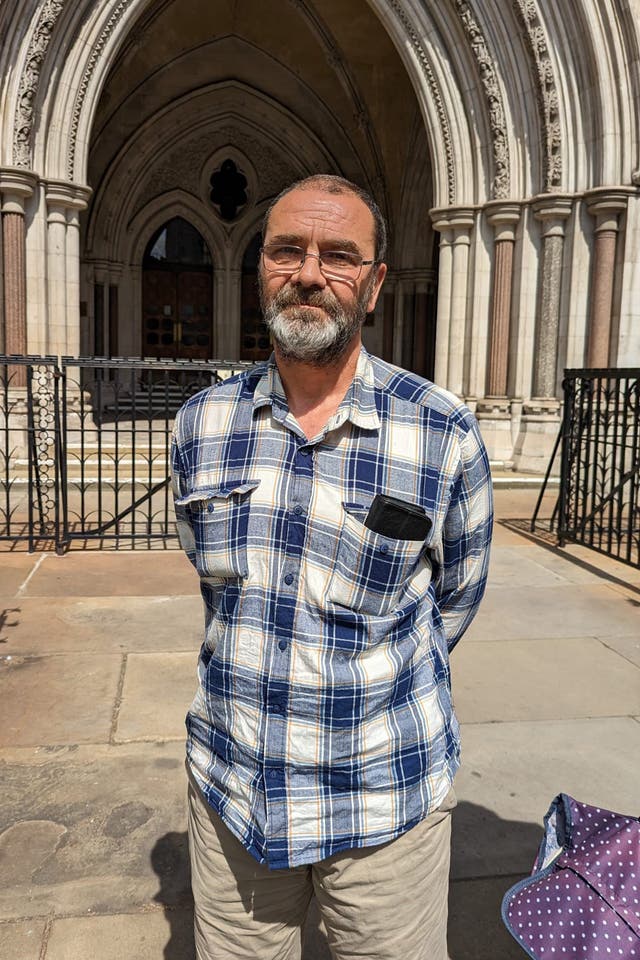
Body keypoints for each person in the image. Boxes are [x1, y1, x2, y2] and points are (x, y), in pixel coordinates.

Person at [171, 174, 493, 960]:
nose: (310, 273)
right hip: (233, 795)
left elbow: (456, 597)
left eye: (339, 256)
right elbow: (221, 596)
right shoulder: (201, 424)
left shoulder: (442, 432)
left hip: (383, 805)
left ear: (376, 284)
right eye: (289, 249)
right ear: (262, 268)